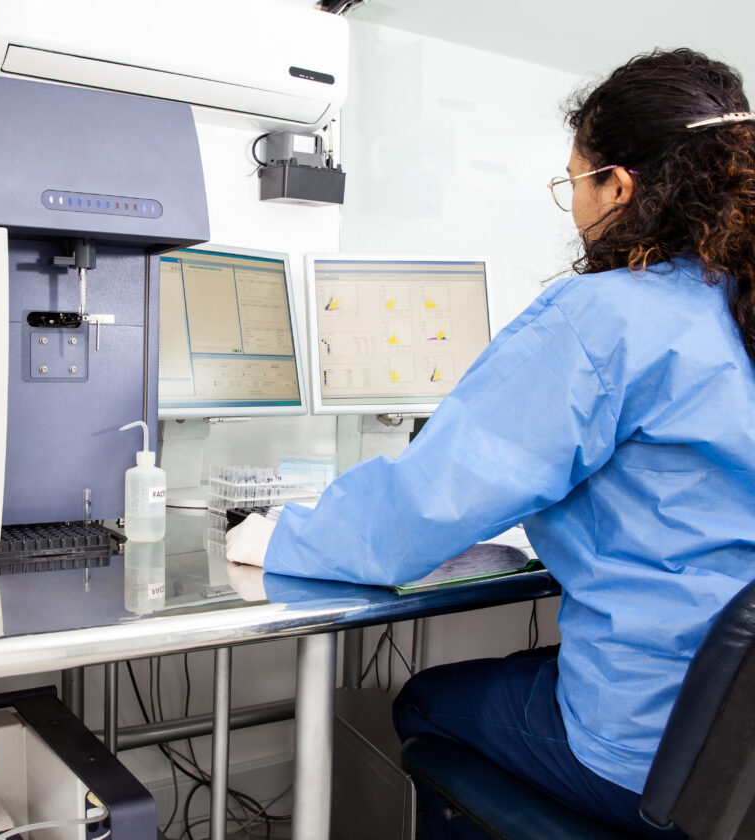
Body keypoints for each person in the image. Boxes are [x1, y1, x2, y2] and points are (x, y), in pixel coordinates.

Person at [225, 48, 755, 838]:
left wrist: (277, 537)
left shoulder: (607, 317)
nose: (574, 205)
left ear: (621, 185)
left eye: (573, 181)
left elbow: (419, 512)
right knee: (516, 673)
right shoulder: (735, 309)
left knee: (427, 703)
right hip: (737, 755)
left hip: (647, 744)